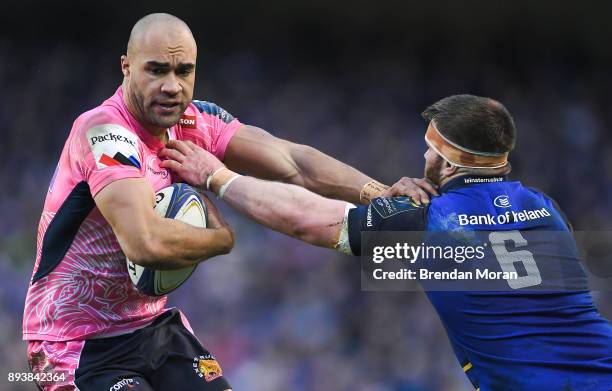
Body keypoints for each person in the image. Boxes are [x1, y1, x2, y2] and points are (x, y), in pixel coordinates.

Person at [22, 12, 431, 391]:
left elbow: (293, 162)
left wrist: (379, 192)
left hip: (152, 328)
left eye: (184, 71)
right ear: (126, 67)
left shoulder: (191, 121)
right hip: (71, 343)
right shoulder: (105, 133)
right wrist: (222, 238)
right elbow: (144, 244)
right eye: (157, 70)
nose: (172, 86)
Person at [163, 94, 612, 390]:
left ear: (448, 160)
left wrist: (217, 177)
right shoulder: (545, 206)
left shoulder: (430, 219)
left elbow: (304, 220)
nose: (422, 156)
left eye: (430, 150)